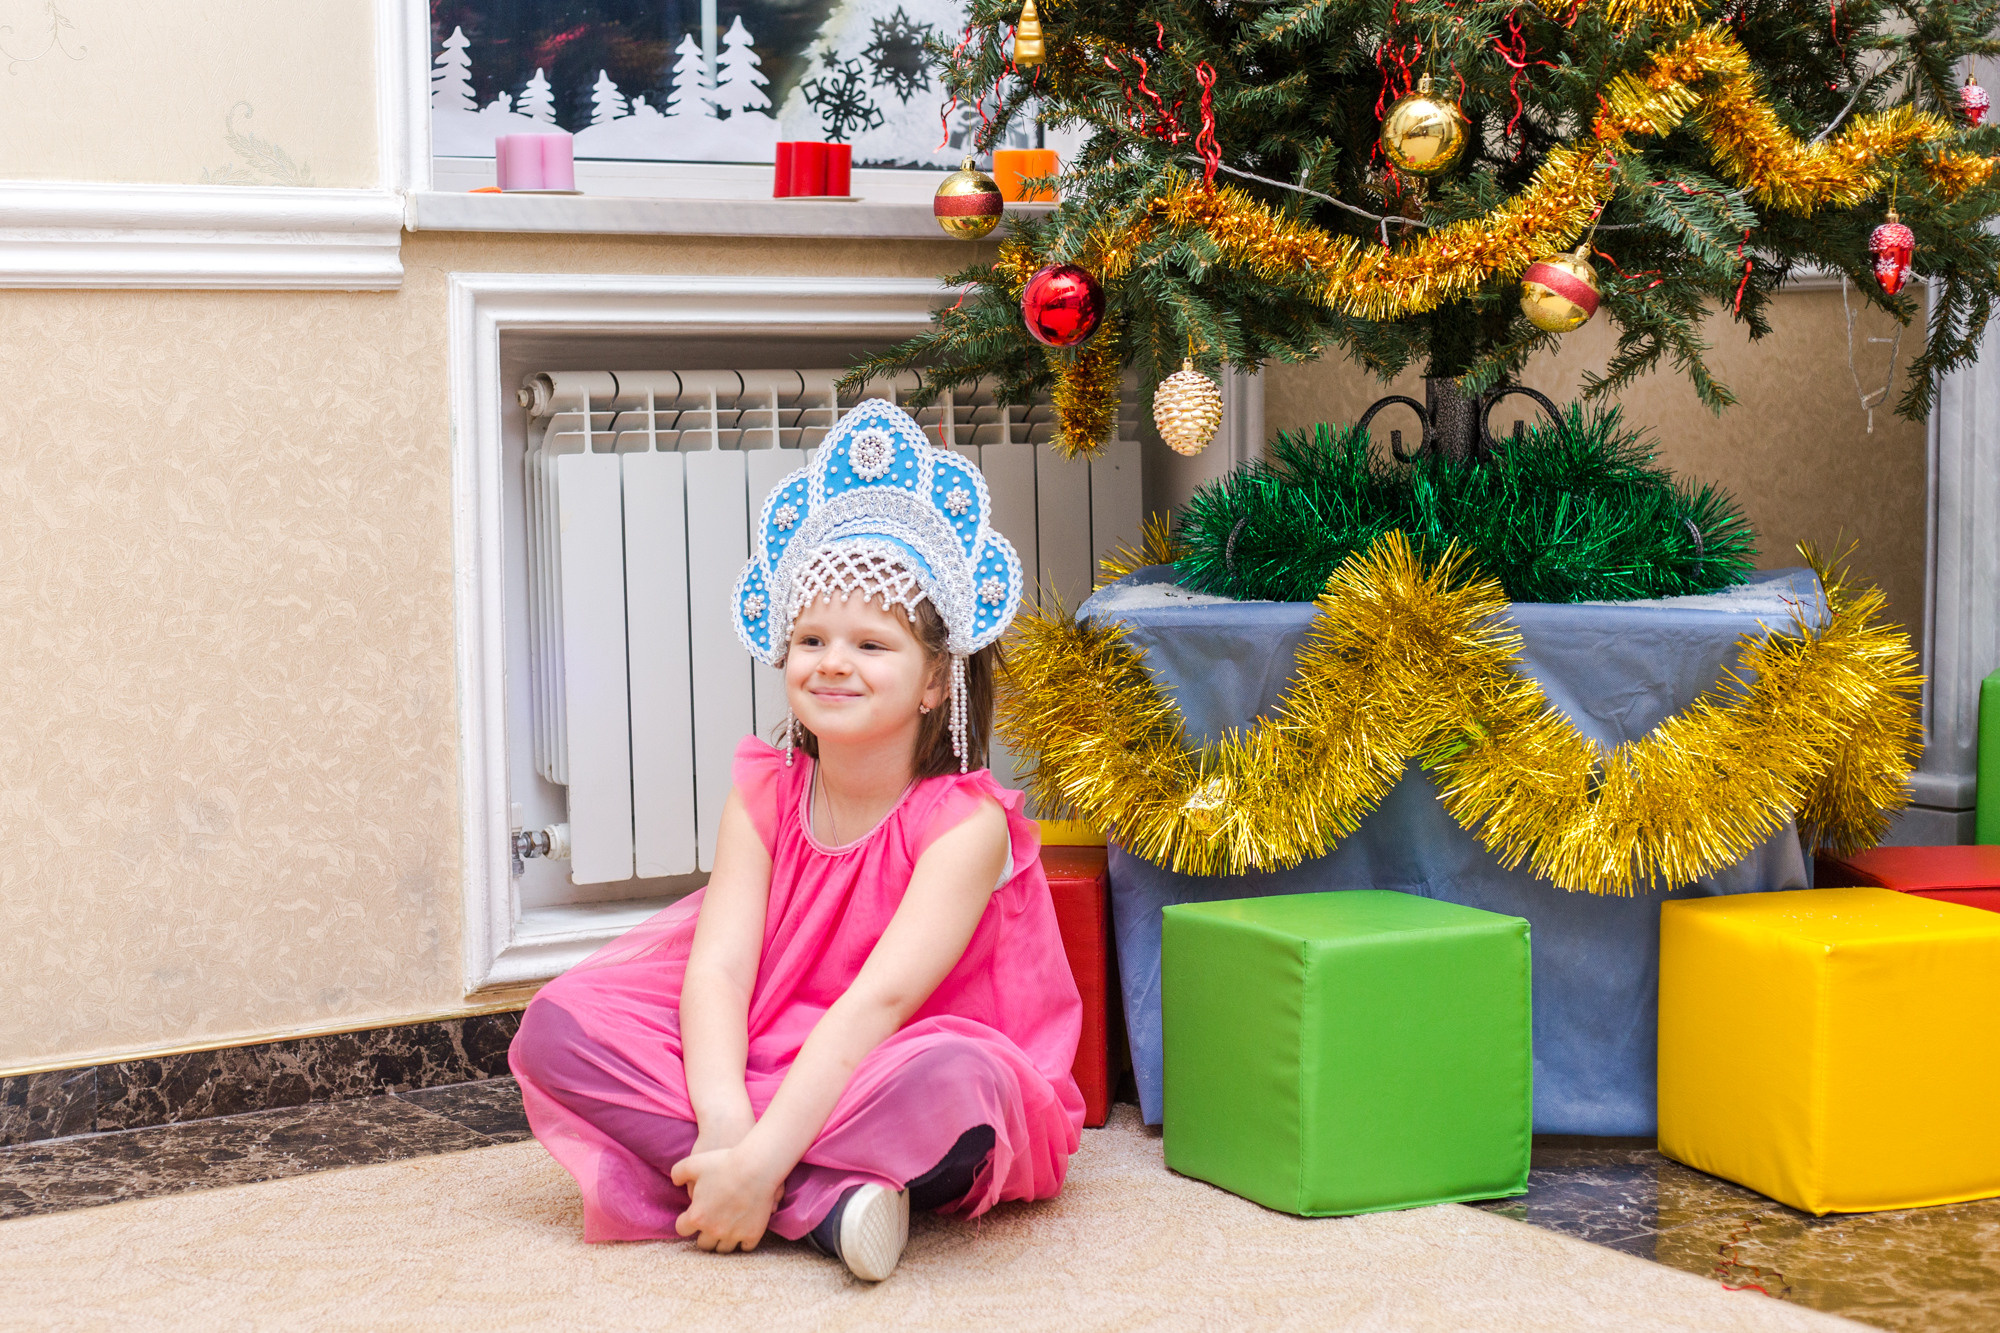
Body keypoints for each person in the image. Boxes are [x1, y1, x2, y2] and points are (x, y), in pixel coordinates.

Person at [509, 399, 1084, 1282]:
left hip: (885, 1058)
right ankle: (821, 1203)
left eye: (871, 644)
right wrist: (726, 1124)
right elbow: (719, 972)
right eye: (811, 638)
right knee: (558, 1026)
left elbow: (877, 1006)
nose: (832, 661)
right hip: (762, 1047)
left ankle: (766, 1178)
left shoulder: (963, 825)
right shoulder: (764, 793)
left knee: (958, 1081)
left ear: (935, 681)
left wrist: (763, 1152)